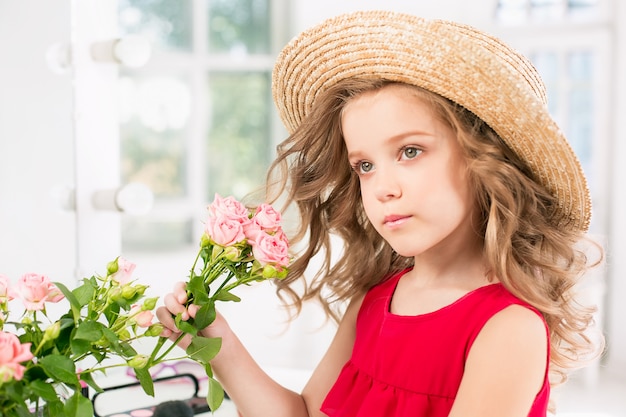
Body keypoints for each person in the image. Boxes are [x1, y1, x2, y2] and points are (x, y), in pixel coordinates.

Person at [156, 10, 604, 417]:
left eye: (410, 151)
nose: (383, 189)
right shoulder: (376, 301)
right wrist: (217, 344)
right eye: (365, 166)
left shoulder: (509, 328)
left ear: (484, 161)